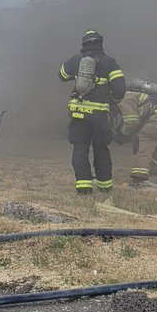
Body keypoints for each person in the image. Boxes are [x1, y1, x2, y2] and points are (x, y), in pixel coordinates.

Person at [58, 30, 126, 194]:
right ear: (101, 43)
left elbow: (61, 75)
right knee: (101, 149)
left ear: (84, 44)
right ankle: (104, 186)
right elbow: (119, 90)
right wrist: (113, 102)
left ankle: (83, 186)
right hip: (99, 116)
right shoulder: (109, 62)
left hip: (78, 114)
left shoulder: (76, 60)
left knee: (80, 148)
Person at [115, 80, 157, 183]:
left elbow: (131, 122)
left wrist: (123, 134)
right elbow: (138, 118)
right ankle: (155, 168)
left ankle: (139, 175)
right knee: (152, 141)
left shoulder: (124, 99)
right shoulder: (131, 95)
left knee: (144, 141)